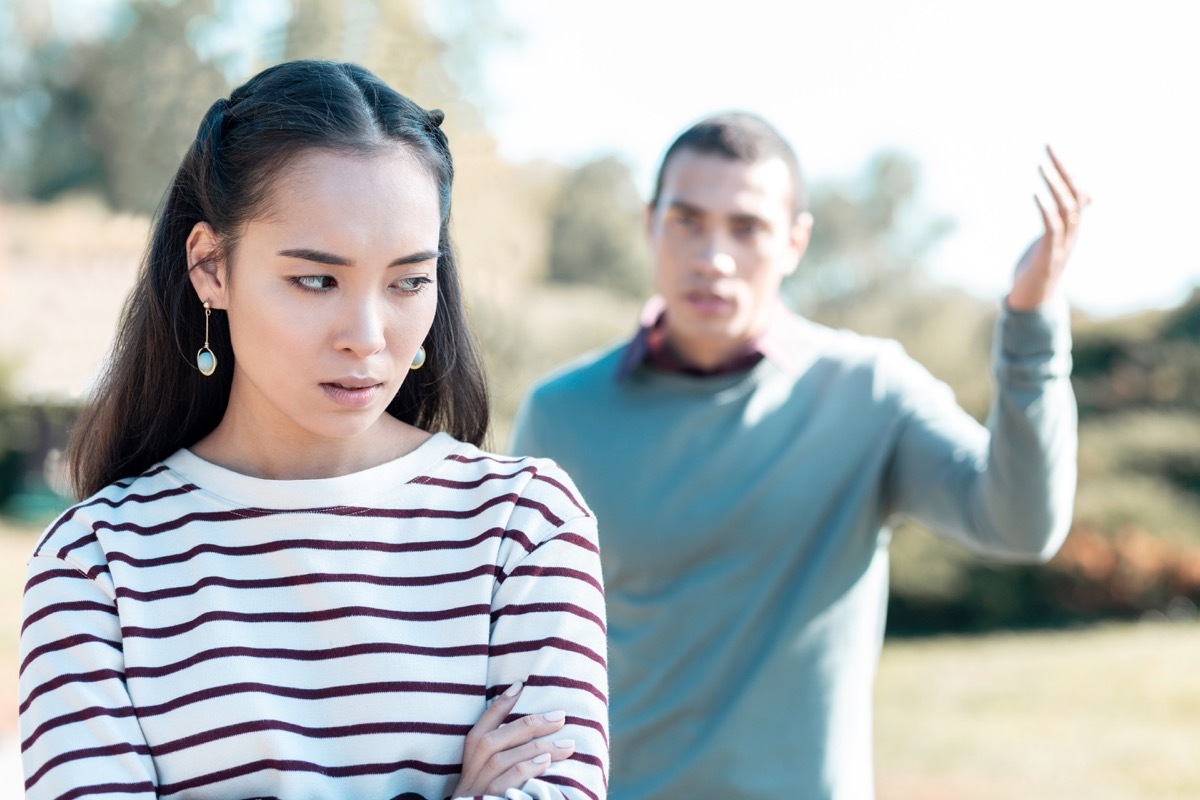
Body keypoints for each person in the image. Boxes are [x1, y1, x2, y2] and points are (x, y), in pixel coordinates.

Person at [19, 60, 608, 800]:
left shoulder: (525, 524)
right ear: (210, 266)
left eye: (408, 281)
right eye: (317, 280)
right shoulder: (95, 564)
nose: (367, 336)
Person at [510, 112, 1084, 799]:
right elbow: (514, 656)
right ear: (650, 224)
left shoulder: (869, 393)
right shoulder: (563, 414)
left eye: (746, 228)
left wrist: (1032, 324)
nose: (712, 256)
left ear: (794, 242)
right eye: (687, 220)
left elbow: (1022, 525)